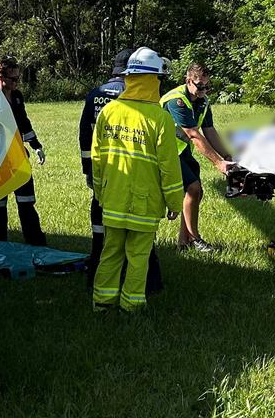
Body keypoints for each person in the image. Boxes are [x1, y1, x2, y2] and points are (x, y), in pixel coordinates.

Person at [91, 47, 184, 311]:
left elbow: (97, 159)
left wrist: (101, 193)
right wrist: (174, 203)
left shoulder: (109, 111)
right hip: (145, 203)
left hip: (112, 198)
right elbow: (169, 167)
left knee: (110, 252)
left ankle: (102, 302)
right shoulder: (161, 119)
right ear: (153, 80)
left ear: (129, 78)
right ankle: (131, 307)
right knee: (138, 256)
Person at [79, 48, 162, 291]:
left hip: (104, 171)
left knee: (101, 225)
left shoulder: (95, 95)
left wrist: (89, 171)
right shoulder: (138, 96)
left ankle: (96, 275)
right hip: (135, 173)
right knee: (140, 231)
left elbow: (86, 137)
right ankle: (149, 282)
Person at [0, 56, 46, 246]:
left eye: (18, 78)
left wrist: (35, 145)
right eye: (13, 79)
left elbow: (23, 122)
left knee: (26, 200)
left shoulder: (17, 97)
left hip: (18, 158)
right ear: (0, 76)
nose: (16, 83)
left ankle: (35, 242)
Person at [162, 63, 233, 252]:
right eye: (200, 86)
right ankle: (194, 239)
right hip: (164, 152)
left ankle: (183, 242)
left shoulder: (203, 101)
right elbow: (194, 135)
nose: (203, 90)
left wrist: (226, 155)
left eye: (207, 86)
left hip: (181, 151)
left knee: (196, 192)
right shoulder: (176, 100)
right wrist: (218, 163)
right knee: (193, 188)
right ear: (188, 81)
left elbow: (209, 130)